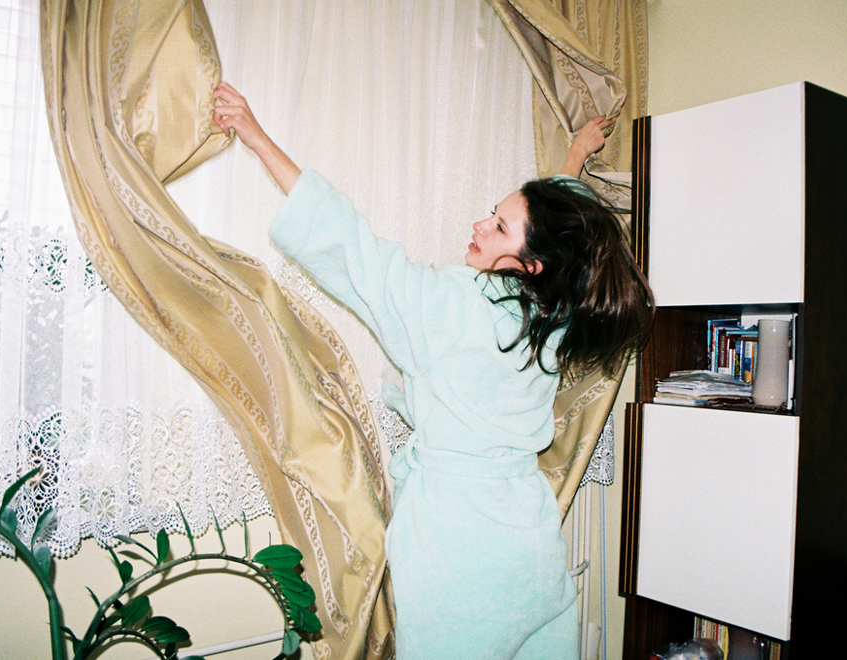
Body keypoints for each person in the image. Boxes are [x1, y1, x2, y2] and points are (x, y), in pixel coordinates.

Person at [212, 81, 654, 660]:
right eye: (492, 214)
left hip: (456, 550)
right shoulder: (556, 315)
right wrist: (574, 156)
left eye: (498, 227)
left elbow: (351, 246)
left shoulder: (450, 306)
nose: (480, 225)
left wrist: (256, 136)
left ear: (532, 264)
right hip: (530, 543)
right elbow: (568, 241)